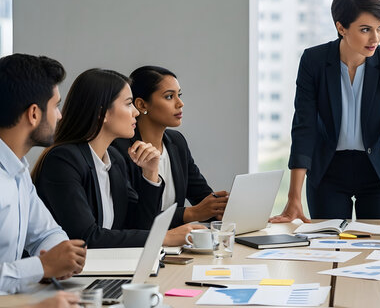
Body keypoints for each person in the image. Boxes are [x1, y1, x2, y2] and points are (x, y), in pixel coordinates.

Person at [270, 0, 380, 224]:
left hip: (377, 170)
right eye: (365, 30)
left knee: (376, 249)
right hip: (328, 169)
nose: (375, 38)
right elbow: (304, 127)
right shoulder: (314, 61)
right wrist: (293, 197)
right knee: (329, 249)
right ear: (341, 27)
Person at [33, 68, 202, 248]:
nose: (136, 112)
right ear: (102, 113)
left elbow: (139, 225)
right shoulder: (63, 161)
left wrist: (150, 174)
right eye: (129, 104)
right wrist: (162, 237)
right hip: (67, 273)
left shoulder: (114, 159)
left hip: (105, 267)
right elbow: (85, 237)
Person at [0, 54, 86, 294]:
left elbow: (46, 233)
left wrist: (61, 258)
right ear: (34, 113)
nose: (59, 115)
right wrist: (41, 267)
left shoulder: (18, 169)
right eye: (56, 105)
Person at [112, 66, 229, 228]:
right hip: (139, 247)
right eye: (169, 97)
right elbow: (134, 218)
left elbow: (202, 197)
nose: (180, 103)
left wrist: (223, 206)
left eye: (179, 95)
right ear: (141, 105)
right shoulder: (119, 150)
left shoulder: (177, 142)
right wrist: (190, 213)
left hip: (176, 246)